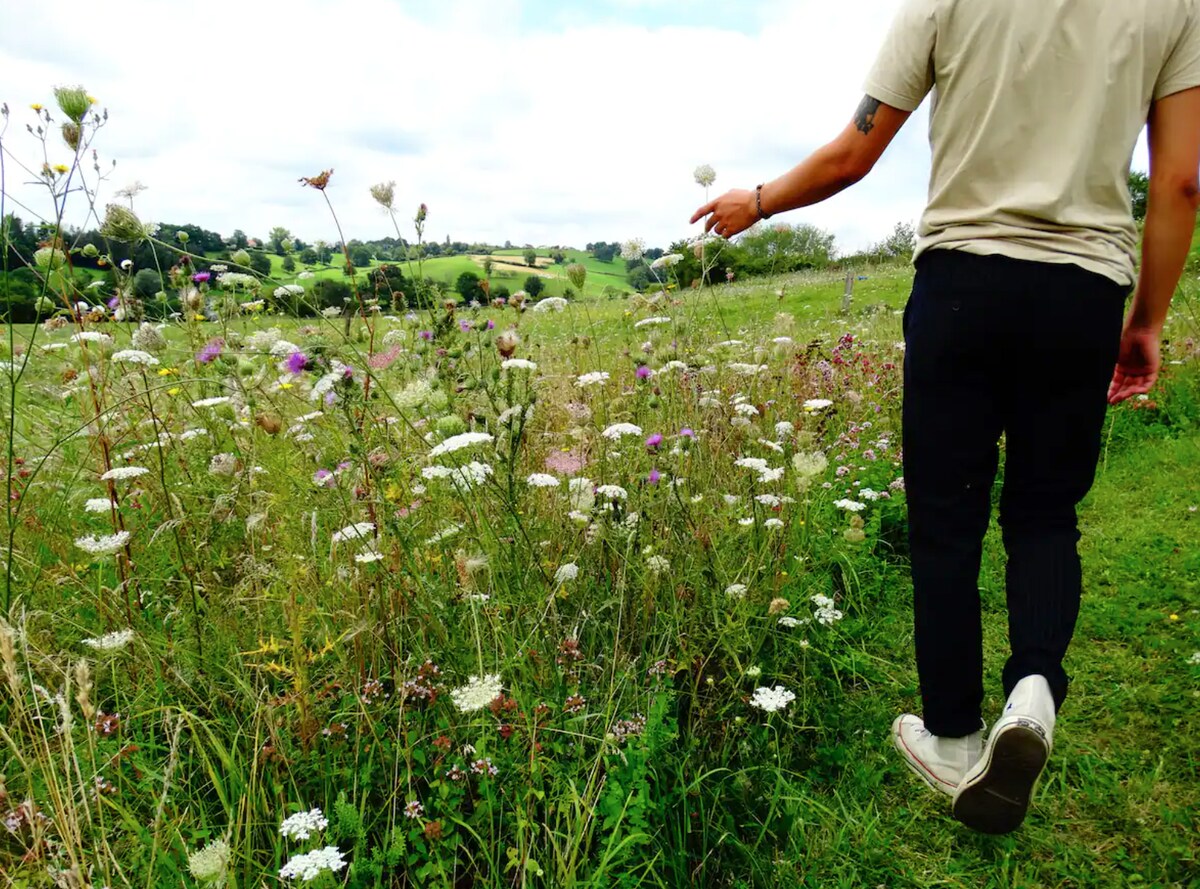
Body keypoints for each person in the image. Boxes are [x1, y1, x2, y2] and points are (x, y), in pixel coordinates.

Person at [691, 0, 1200, 835]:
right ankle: (1033, 687)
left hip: (962, 283)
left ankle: (957, 736)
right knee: (1044, 515)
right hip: (1083, 292)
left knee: (945, 522)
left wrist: (759, 199)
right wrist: (1145, 321)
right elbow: (1180, 180)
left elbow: (856, 152)